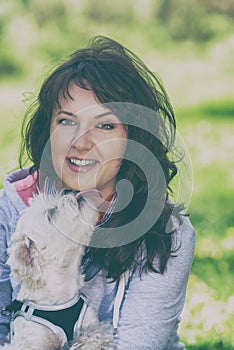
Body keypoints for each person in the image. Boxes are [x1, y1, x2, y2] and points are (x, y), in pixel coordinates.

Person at [0, 35, 195, 349]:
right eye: (66, 121)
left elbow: (140, 344)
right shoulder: (9, 212)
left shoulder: (168, 232)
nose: (80, 142)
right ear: (47, 129)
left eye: (105, 126)